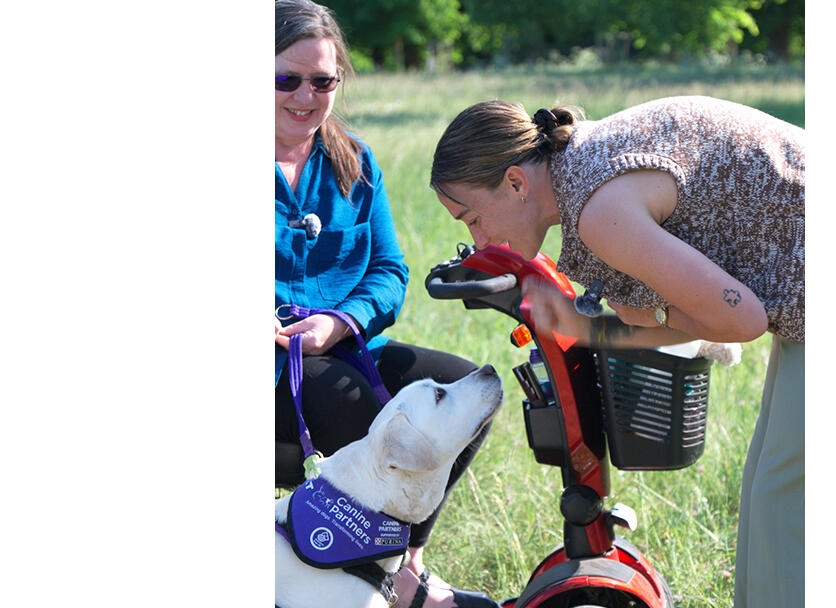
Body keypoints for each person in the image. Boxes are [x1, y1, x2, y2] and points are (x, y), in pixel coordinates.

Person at [430, 96, 804, 608]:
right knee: (768, 484)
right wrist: (617, 322)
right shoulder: (585, 164)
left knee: (786, 500)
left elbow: (742, 320)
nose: (477, 240)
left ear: (516, 183)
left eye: (471, 218)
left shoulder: (597, 212)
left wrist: (620, 324)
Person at [274, 2, 499, 606]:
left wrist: (343, 320)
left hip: (350, 345)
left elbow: (389, 270)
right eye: (285, 79)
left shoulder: (357, 161)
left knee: (460, 392)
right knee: (365, 411)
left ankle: (403, 568)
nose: (306, 95)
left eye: (323, 81)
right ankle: (340, 572)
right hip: (269, 367)